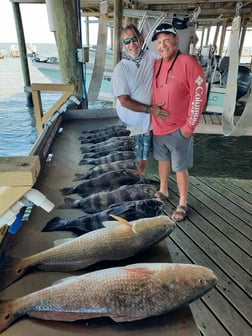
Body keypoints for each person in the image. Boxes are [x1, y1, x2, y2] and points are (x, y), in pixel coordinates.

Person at [150, 23, 207, 221]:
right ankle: (163, 190)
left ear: (176, 40)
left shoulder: (188, 62)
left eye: (166, 40)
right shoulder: (156, 64)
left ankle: (183, 202)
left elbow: (198, 95)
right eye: (158, 42)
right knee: (162, 159)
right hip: (158, 127)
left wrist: (189, 128)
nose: (162, 45)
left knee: (180, 167)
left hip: (179, 128)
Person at [111, 24, 168, 174]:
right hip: (128, 126)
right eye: (127, 41)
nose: (131, 44)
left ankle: (137, 181)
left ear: (141, 39)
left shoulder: (151, 56)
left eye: (134, 39)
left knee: (142, 161)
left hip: (146, 124)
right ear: (123, 45)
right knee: (126, 163)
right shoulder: (121, 68)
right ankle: (129, 188)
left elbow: (170, 56)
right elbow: (124, 100)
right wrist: (150, 109)